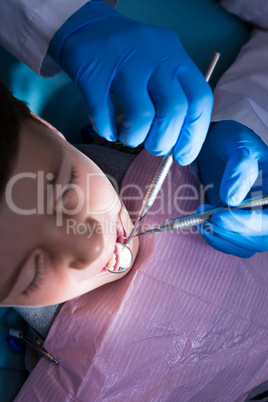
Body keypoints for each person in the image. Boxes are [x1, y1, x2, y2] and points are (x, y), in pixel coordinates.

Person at [0, 81, 267, 401]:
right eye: (33, 272)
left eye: (66, 193)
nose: (93, 247)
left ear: (46, 126)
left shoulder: (150, 134)